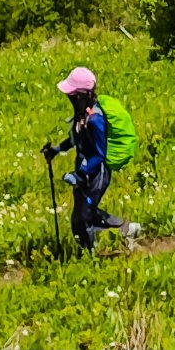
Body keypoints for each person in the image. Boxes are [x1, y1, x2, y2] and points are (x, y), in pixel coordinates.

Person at [43, 66, 139, 252]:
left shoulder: (95, 120)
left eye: (73, 96)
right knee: (81, 217)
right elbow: (74, 139)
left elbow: (99, 154)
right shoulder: (82, 116)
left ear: (83, 95)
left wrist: (81, 174)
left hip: (96, 174)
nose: (70, 99)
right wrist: (55, 150)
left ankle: (90, 257)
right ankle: (125, 229)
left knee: (83, 216)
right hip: (83, 171)